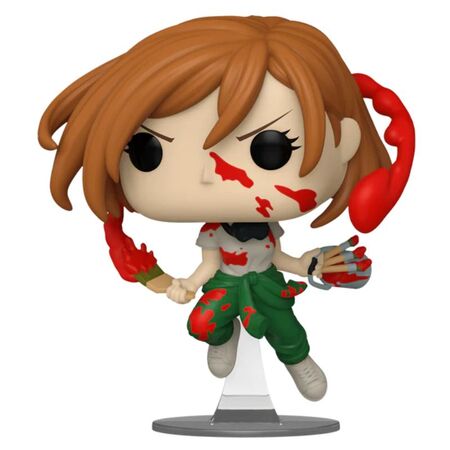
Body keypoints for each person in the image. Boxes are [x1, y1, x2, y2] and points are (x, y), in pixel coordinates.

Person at [38, 15, 412, 402]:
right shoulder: (214, 232)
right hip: (225, 284)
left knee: (285, 327)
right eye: (148, 150)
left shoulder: (267, 229)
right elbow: (210, 263)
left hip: (266, 283)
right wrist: (188, 284)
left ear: (345, 141)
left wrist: (307, 265)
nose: (208, 175)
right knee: (201, 323)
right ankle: (222, 336)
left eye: (271, 148)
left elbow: (277, 257)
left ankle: (298, 359)